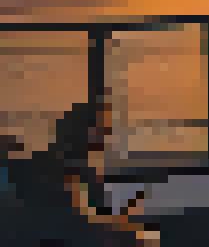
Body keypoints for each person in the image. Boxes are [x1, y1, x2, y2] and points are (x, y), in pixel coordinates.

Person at [10, 100, 160, 246]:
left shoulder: (78, 170)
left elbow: (92, 214)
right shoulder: (58, 173)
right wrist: (127, 229)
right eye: (99, 132)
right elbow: (85, 223)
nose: (105, 139)